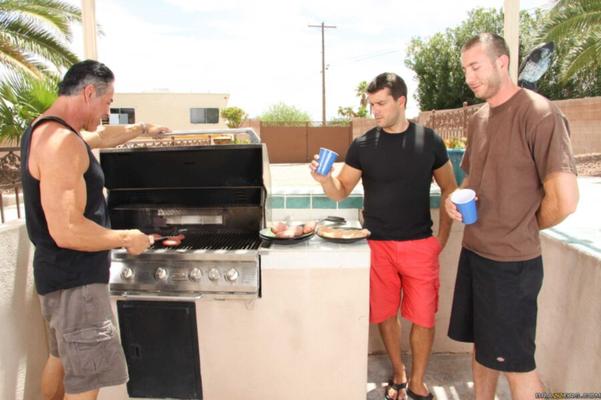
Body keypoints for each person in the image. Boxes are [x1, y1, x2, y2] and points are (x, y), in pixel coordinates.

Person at [20, 59, 170, 400]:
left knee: (59, 359)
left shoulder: (44, 129)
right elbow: (67, 229)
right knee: (86, 380)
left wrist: (143, 129)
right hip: (78, 283)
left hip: (54, 276)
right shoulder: (62, 144)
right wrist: (125, 238)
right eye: (107, 102)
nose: (107, 110)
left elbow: (100, 136)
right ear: (89, 92)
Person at [445, 33, 579, 399]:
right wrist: (454, 201)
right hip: (475, 255)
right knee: (482, 351)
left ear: (502, 62)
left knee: (517, 367)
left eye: (476, 66)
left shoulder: (540, 113)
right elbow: (472, 178)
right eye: (465, 69)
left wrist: (523, 225)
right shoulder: (480, 118)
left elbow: (565, 200)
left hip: (511, 265)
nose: (469, 76)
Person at [310, 72, 457, 400]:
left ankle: (418, 382)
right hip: (376, 246)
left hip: (420, 244)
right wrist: (324, 180)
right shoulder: (363, 145)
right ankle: (399, 372)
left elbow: (450, 188)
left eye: (380, 103)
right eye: (371, 103)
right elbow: (341, 190)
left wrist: (441, 241)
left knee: (423, 317)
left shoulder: (429, 141)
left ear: (401, 101)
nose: (373, 110)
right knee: (385, 315)